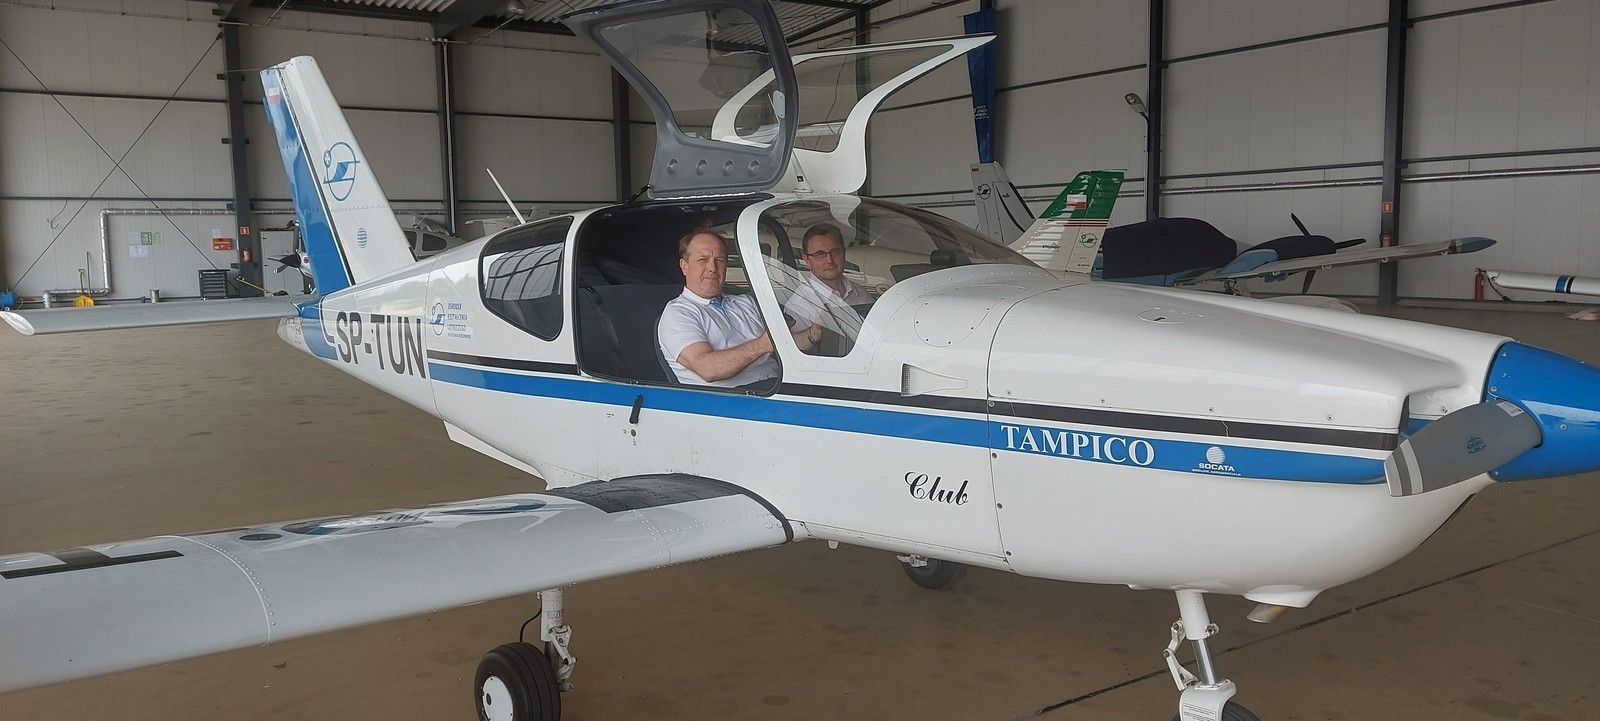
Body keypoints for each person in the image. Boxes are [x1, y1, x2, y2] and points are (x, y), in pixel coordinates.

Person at [658, 228, 818, 388]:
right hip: (732, 398)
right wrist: (762, 344)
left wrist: (814, 333)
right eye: (703, 260)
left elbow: (782, 343)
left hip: (777, 386)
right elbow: (708, 369)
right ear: (684, 266)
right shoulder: (678, 313)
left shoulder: (745, 302)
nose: (712, 267)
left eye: (720, 260)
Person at [783, 223, 872, 355]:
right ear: (806, 260)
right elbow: (797, 357)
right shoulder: (798, 305)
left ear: (844, 253)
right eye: (820, 254)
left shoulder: (860, 292)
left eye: (835, 252)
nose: (829, 260)